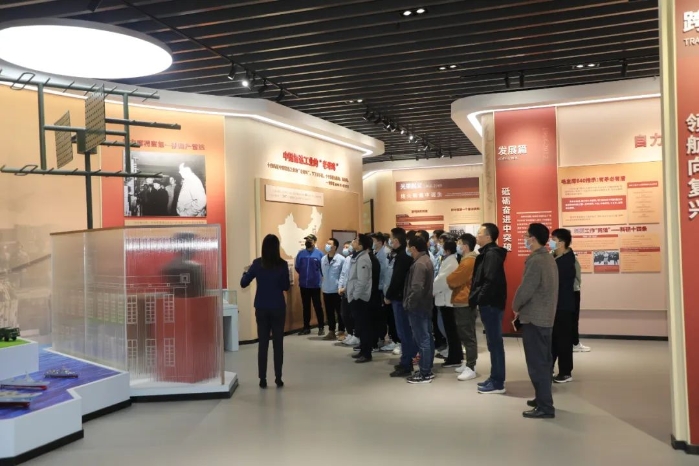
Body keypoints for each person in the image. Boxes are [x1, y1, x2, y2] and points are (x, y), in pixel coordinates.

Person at [513, 223, 559, 419]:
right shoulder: (548, 258)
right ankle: (542, 398)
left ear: (532, 238)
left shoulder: (536, 261)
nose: (524, 238)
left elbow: (526, 289)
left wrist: (515, 305)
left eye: (526, 235)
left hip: (535, 318)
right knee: (544, 362)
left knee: (537, 363)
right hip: (546, 317)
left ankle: (545, 407)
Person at [240, 234, 291, 389]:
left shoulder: (257, 263)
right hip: (278, 307)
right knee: (278, 344)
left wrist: (245, 272)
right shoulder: (282, 264)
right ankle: (278, 378)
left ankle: (262, 379)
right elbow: (286, 286)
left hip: (261, 307)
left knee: (263, 344)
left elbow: (243, 283)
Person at [470, 223, 508, 395]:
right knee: (493, 343)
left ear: (488, 237)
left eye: (479, 233)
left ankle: (498, 382)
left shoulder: (491, 254)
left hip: (491, 304)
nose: (476, 236)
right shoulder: (488, 253)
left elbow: (489, 281)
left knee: (495, 343)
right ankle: (494, 377)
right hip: (489, 303)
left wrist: (479, 298)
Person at [403, 236, 435, 384]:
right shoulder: (425, 260)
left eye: (409, 246)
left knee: (423, 339)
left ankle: (424, 373)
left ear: (413, 248)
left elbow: (416, 288)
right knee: (427, 338)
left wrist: (409, 303)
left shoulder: (420, 264)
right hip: (425, 305)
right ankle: (427, 369)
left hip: (418, 307)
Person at [447, 233, 479, 381]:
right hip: (462, 300)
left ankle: (471, 366)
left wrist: (450, 278)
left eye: (459, 244)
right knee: (465, 334)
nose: (458, 246)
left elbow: (453, 279)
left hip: (465, 301)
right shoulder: (467, 259)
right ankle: (468, 363)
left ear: (465, 246)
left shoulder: (468, 261)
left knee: (468, 335)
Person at [386, 228, 416, 377]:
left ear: (396, 241)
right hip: (400, 298)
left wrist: (388, 295)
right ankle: (405, 360)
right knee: (403, 332)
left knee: (404, 332)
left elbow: (397, 279)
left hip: (400, 299)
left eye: (391, 239)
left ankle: (407, 363)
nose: (390, 242)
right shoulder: (401, 256)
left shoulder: (403, 257)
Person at [550, 229, 577, 384]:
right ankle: (550, 368)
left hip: (563, 305)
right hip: (555, 305)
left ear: (561, 242)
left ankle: (566, 372)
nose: (551, 242)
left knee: (563, 340)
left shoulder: (567, 261)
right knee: (554, 339)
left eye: (553, 239)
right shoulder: (555, 257)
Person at [433, 239, 462, 368]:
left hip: (447, 301)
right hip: (445, 299)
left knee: (451, 331)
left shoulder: (451, 262)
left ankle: (454, 358)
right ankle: (456, 356)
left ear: (447, 250)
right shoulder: (449, 260)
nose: (439, 247)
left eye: (442, 246)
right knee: (451, 331)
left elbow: (441, 280)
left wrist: (431, 291)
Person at [347, 234, 373, 363]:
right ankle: (363, 350)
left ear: (361, 245)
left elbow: (362, 281)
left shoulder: (363, 259)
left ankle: (366, 353)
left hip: (360, 298)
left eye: (356, 240)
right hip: (355, 296)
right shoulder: (357, 256)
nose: (354, 242)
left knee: (364, 327)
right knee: (360, 326)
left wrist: (355, 296)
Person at [373, 233, 399, 352]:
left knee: (390, 317)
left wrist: (385, 290)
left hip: (385, 289)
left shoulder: (386, 254)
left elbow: (385, 274)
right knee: (383, 316)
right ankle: (385, 338)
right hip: (381, 288)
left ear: (379, 242)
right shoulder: (377, 253)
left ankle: (395, 340)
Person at [295, 234, 325, 336]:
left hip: (315, 285)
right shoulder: (301, 254)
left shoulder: (319, 254)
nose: (307, 241)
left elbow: (322, 268)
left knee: (317, 306)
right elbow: (297, 267)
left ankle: (321, 327)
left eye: (310, 240)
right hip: (304, 285)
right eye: (306, 240)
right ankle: (306, 327)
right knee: (305, 306)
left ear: (315, 242)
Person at [321, 238, 345, 341]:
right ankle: (331, 331)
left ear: (334, 247)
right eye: (326, 243)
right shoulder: (323, 259)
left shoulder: (341, 259)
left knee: (340, 312)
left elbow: (343, 275)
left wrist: (341, 287)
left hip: (337, 290)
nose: (326, 245)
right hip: (326, 289)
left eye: (329, 244)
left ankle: (341, 331)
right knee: (329, 312)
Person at [338, 242, 356, 344]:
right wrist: (340, 287)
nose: (345, 249)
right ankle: (350, 333)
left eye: (347, 247)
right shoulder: (347, 259)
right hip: (344, 291)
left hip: (353, 291)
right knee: (344, 313)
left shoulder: (357, 259)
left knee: (353, 314)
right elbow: (343, 274)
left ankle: (355, 334)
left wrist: (346, 288)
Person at [572, 251, 590, 352]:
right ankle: (574, 343)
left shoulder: (553, 256)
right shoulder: (571, 257)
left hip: (560, 292)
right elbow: (578, 275)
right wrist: (577, 285)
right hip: (573, 290)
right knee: (573, 319)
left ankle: (572, 343)